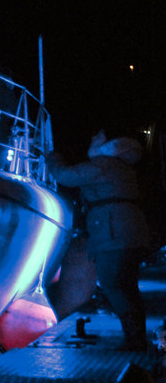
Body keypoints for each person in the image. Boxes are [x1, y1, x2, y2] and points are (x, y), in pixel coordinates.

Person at [51, 133, 156, 351]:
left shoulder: (103, 166)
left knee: (114, 284)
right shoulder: (124, 168)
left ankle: (134, 341)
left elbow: (65, 176)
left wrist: (52, 157)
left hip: (113, 235)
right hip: (130, 234)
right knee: (127, 287)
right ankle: (135, 338)